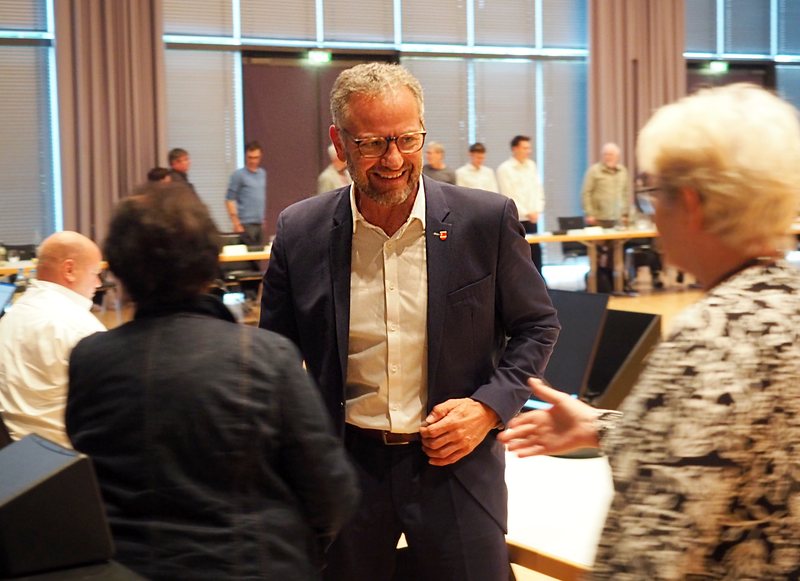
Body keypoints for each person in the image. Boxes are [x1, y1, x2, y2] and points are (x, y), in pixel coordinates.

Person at [260, 62, 560, 581]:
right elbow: (274, 359)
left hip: (457, 468)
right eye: (373, 143)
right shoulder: (300, 231)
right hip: (347, 472)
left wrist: (488, 409)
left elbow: (537, 326)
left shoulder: (485, 221)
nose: (394, 160)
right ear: (339, 142)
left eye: (407, 139)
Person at [500, 84, 800, 580]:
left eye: (654, 195)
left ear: (690, 204)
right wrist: (602, 427)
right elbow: (736, 449)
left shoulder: (709, 341)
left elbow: (648, 551)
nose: (651, 213)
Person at [66, 183, 358, 581]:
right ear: (210, 262)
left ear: (119, 270)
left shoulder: (89, 361)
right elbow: (330, 493)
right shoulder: (266, 358)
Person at [0, 231, 105, 448]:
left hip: (11, 454)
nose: (98, 283)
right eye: (95, 272)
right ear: (69, 270)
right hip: (65, 462)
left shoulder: (12, 315)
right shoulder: (81, 329)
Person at [497, 135, 544, 272]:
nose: (528, 151)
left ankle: (540, 289)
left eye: (529, 148)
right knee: (518, 257)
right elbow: (509, 195)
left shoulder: (532, 166)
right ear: (515, 149)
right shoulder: (505, 169)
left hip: (533, 219)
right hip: (517, 219)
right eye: (525, 148)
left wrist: (537, 210)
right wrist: (526, 212)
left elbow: (538, 189)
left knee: (536, 256)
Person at [226, 141, 267, 246]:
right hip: (245, 224)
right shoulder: (239, 175)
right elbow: (229, 199)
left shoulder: (262, 174)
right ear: (245, 156)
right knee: (247, 259)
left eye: (256, 157)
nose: (253, 160)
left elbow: (259, 198)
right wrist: (236, 223)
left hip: (258, 223)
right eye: (250, 157)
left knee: (258, 257)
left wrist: (262, 219)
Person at [581, 143, 629, 227]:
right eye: (605, 154)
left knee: (619, 240)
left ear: (617, 156)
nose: (608, 157)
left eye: (611, 155)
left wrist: (624, 213)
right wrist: (589, 214)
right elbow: (586, 193)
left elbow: (625, 194)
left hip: (617, 219)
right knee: (598, 240)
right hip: (598, 218)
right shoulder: (594, 171)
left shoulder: (623, 171)